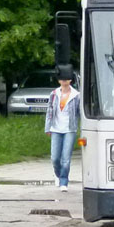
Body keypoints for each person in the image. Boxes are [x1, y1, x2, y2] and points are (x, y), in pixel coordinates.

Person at [45, 65, 81, 194]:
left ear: (70, 80)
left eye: (66, 79)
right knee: (55, 158)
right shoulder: (54, 94)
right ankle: (58, 174)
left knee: (65, 158)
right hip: (56, 128)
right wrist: (47, 128)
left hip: (69, 129)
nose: (64, 81)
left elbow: (80, 112)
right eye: (62, 79)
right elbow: (49, 111)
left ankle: (64, 181)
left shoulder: (76, 95)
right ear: (59, 80)